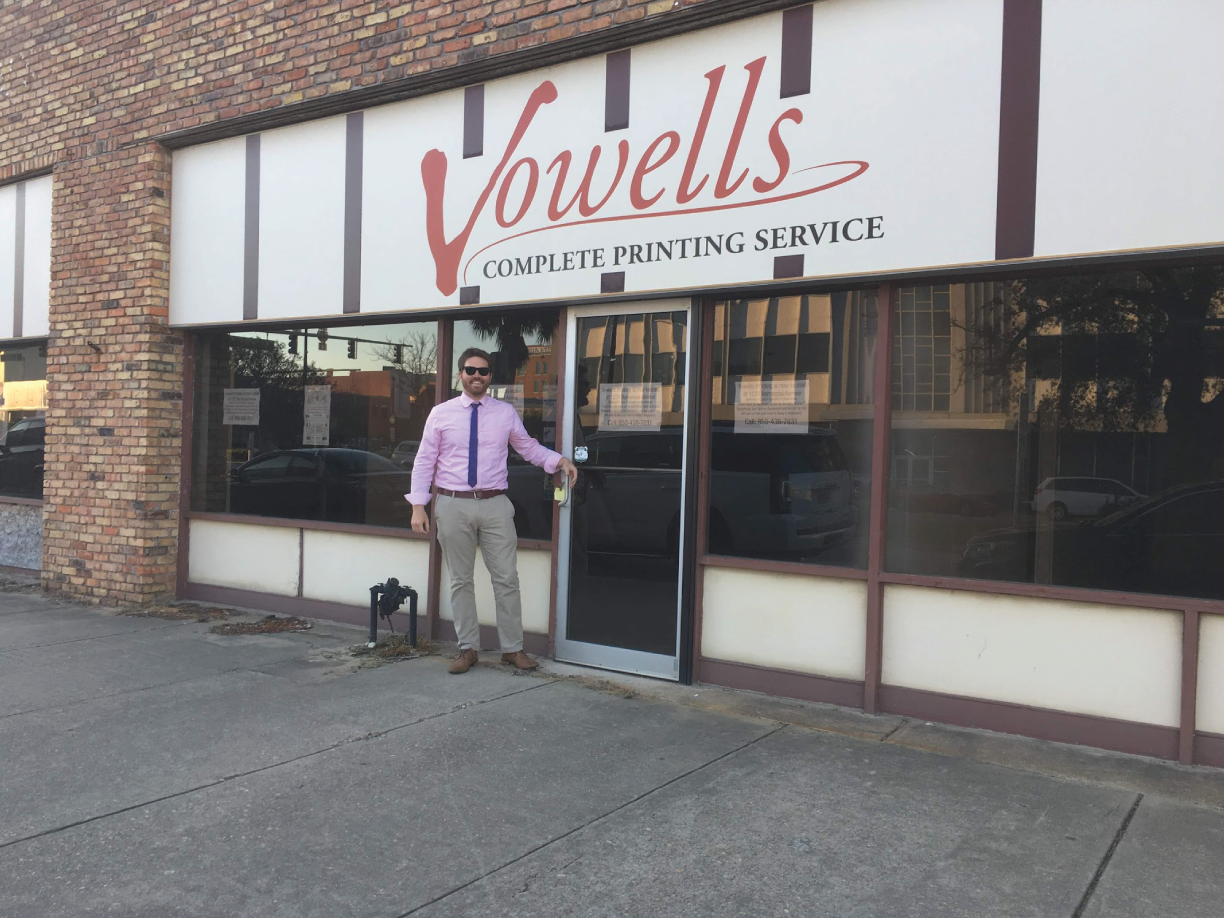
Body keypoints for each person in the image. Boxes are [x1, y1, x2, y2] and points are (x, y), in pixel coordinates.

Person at [407, 347, 578, 674]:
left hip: (496, 504)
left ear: (489, 377)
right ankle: (467, 648)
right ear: (461, 374)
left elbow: (527, 447)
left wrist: (559, 461)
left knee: (507, 579)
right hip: (452, 503)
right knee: (460, 581)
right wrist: (419, 505)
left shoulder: (504, 413)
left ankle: (512, 649)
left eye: (483, 371)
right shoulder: (441, 413)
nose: (477, 376)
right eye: (471, 370)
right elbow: (424, 460)